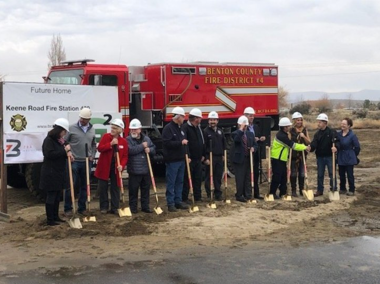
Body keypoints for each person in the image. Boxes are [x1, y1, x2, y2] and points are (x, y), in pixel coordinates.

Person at [40, 118, 73, 226]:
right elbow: (50, 154)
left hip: (59, 172)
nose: (64, 134)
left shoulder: (61, 141)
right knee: (51, 195)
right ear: (59, 130)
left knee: (58, 195)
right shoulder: (48, 140)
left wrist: (68, 154)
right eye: (64, 131)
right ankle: (50, 219)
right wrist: (64, 151)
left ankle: (56, 216)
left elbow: (63, 151)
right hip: (50, 173)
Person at [64, 108, 96, 216]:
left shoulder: (92, 129)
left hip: (87, 161)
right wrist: (68, 151)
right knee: (71, 185)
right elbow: (65, 141)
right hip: (74, 161)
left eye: (85, 119)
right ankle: (68, 208)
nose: (82, 120)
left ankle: (82, 208)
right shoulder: (71, 128)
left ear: (89, 119)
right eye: (81, 118)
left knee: (85, 185)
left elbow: (93, 144)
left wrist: (92, 155)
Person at [270, 117, 311, 199]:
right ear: (284, 127)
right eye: (288, 126)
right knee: (277, 177)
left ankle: (283, 193)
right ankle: (272, 193)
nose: (289, 127)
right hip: (277, 159)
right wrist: (304, 147)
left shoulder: (284, 134)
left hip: (282, 159)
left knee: (284, 177)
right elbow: (293, 145)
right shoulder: (281, 136)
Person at [95, 118, 128, 214]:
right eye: (112, 128)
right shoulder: (106, 137)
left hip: (116, 168)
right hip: (104, 166)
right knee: (103, 187)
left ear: (120, 130)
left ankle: (115, 207)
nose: (112, 130)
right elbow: (100, 148)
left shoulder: (123, 142)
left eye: (114, 128)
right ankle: (104, 207)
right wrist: (110, 144)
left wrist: (122, 165)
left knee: (115, 187)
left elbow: (125, 156)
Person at [162, 107, 189, 212]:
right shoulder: (168, 128)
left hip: (181, 159)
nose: (184, 119)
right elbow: (167, 143)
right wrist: (180, 143)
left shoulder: (181, 128)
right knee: (171, 182)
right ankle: (170, 203)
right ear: (178, 117)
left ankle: (178, 201)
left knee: (179, 181)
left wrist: (186, 154)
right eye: (183, 117)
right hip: (172, 160)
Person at [127, 118, 156, 213]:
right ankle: (133, 208)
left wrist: (150, 150)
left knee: (145, 190)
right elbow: (130, 151)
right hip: (134, 170)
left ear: (140, 129)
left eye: (135, 129)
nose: (133, 131)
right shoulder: (128, 140)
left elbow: (153, 149)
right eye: (132, 129)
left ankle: (145, 207)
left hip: (146, 169)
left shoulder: (146, 139)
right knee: (133, 191)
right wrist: (142, 146)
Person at [310, 113, 339, 197]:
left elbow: (337, 142)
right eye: (318, 122)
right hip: (320, 157)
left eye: (320, 122)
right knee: (320, 174)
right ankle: (319, 190)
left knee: (331, 173)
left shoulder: (332, 132)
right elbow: (314, 143)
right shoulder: (317, 134)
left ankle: (333, 188)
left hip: (330, 157)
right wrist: (310, 147)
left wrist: (336, 147)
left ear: (325, 123)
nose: (318, 124)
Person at [231, 115, 258, 202]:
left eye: (245, 126)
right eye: (243, 126)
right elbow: (237, 140)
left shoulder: (250, 134)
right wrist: (240, 130)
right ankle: (239, 195)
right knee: (240, 178)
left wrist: (254, 148)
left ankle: (248, 194)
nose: (244, 127)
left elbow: (255, 144)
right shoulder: (235, 133)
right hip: (239, 160)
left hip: (248, 158)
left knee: (248, 177)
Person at [182, 108, 205, 202]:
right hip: (190, 158)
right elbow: (185, 144)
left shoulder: (198, 128)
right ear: (195, 118)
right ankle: (185, 197)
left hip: (198, 158)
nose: (200, 120)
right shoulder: (185, 128)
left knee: (197, 178)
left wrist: (203, 154)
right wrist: (187, 156)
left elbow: (202, 141)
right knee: (187, 179)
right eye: (199, 118)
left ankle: (197, 196)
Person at [244, 107, 266, 199]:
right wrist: (253, 140)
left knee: (256, 173)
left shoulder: (256, 127)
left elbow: (259, 137)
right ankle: (247, 193)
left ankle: (256, 193)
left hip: (256, 153)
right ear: (245, 116)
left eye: (253, 116)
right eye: (250, 116)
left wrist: (261, 138)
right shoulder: (244, 128)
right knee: (247, 173)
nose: (252, 118)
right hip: (247, 154)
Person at [204, 111, 225, 201]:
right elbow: (203, 146)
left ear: (217, 121)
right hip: (210, 157)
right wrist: (206, 158)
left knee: (218, 176)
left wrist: (223, 155)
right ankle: (209, 193)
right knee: (209, 176)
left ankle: (217, 193)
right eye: (211, 120)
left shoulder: (220, 131)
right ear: (208, 121)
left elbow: (224, 144)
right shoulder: (205, 131)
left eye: (214, 120)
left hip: (219, 157)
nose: (213, 121)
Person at [337, 118, 360, 196]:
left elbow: (357, 147)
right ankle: (342, 188)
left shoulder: (352, 135)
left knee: (350, 174)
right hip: (340, 156)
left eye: (344, 124)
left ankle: (351, 189)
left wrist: (353, 155)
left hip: (349, 157)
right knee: (341, 174)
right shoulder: (338, 134)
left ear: (349, 126)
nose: (342, 125)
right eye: (342, 123)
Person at [289, 112, 311, 197]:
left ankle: (301, 190)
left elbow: (309, 142)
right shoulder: (291, 130)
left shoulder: (305, 130)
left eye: (301, 120)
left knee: (302, 173)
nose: (299, 122)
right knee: (293, 173)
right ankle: (293, 190)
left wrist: (303, 136)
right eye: (298, 120)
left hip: (302, 155)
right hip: (294, 154)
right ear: (294, 121)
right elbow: (289, 141)